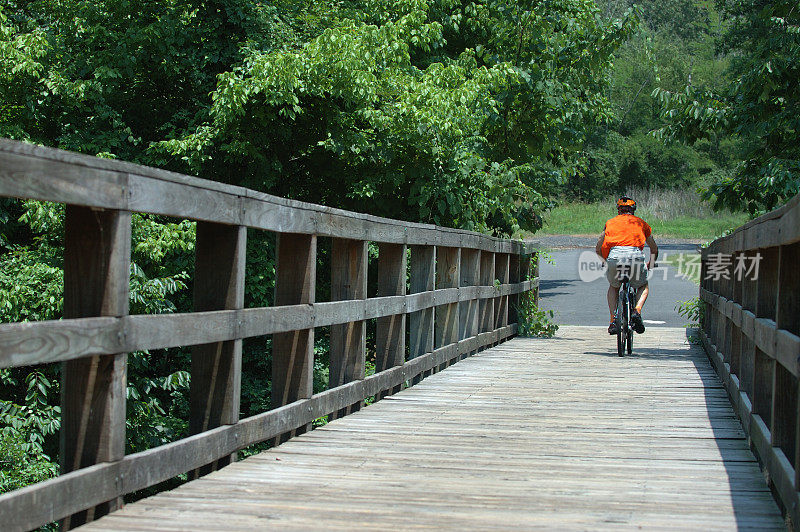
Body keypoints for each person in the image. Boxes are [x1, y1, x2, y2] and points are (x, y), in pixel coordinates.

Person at [595, 196, 658, 335]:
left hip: (614, 256)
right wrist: (651, 264)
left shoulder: (610, 223)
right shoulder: (641, 223)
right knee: (643, 285)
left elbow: (598, 247)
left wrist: (604, 262)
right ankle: (637, 311)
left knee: (614, 286)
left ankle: (612, 321)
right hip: (635, 255)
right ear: (633, 210)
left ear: (618, 210)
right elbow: (654, 249)